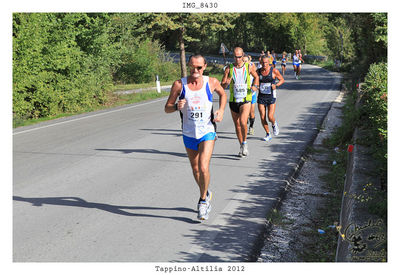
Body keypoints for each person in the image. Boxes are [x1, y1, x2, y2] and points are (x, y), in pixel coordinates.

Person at [164, 54, 227, 221]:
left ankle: (203, 201)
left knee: (204, 167)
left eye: (199, 67)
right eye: (192, 67)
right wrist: (176, 106)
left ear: (204, 66)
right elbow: (167, 108)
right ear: (188, 66)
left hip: (207, 131)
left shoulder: (211, 82)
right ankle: (206, 192)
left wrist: (220, 110)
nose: (195, 71)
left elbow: (223, 94)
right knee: (196, 170)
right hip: (189, 132)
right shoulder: (179, 85)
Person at [221, 47, 259, 157]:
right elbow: (222, 86)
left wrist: (255, 86)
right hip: (233, 100)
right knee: (237, 125)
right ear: (233, 56)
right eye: (235, 57)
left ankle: (245, 142)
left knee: (243, 122)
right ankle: (241, 145)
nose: (237, 59)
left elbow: (256, 77)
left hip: (246, 99)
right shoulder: (229, 68)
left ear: (243, 56)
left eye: (239, 57)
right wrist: (227, 82)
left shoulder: (248, 67)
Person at [257, 55, 284, 141]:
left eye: (266, 62)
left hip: (271, 96)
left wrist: (276, 85)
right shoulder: (258, 72)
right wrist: (255, 86)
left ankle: (274, 124)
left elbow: (282, 80)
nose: (264, 64)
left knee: (270, 116)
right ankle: (268, 134)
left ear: (269, 62)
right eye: (263, 62)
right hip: (261, 96)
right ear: (260, 63)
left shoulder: (274, 71)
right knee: (262, 117)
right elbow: (254, 81)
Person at [243, 55, 256, 135]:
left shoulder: (252, 69)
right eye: (243, 61)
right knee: (244, 113)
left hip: (251, 94)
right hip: (242, 95)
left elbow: (257, 78)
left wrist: (255, 86)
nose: (244, 63)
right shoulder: (239, 70)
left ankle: (251, 127)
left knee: (251, 112)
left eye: (246, 61)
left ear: (249, 62)